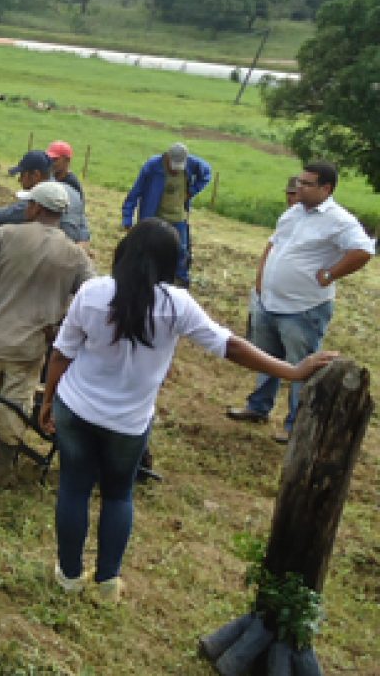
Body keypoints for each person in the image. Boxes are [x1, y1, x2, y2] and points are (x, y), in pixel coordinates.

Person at [40, 219, 336, 601]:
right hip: (128, 423)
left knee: (74, 489)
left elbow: (62, 353)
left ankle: (68, 576)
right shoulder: (175, 304)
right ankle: (107, 584)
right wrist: (291, 371)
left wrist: (48, 400)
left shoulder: (94, 292)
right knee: (117, 495)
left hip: (76, 409)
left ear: (124, 251)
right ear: (169, 262)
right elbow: (229, 345)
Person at [0, 182, 96, 491]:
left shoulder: (5, 236)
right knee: (16, 405)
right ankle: (3, 473)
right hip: (30, 348)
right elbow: (94, 298)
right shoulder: (74, 255)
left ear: (36, 209)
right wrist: (60, 329)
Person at [225, 161, 373, 443]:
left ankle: (296, 425)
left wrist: (331, 274)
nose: (299, 188)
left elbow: (364, 250)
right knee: (267, 359)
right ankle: (258, 407)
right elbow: (274, 244)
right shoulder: (294, 213)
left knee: (302, 367)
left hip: (303, 309)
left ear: (326, 188)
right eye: (300, 182)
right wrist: (261, 280)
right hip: (270, 302)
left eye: (307, 184)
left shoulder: (340, 220)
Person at [121, 142, 212, 286]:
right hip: (154, 217)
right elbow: (135, 193)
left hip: (178, 217)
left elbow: (207, 174)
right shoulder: (152, 167)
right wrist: (127, 219)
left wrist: (192, 191)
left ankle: (179, 282)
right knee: (148, 250)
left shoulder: (193, 164)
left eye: (179, 166)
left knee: (181, 251)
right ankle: (145, 280)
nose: (176, 170)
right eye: (174, 165)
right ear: (168, 158)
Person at [0, 151, 90, 247]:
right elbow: (84, 228)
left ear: (36, 175)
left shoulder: (39, 198)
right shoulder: (74, 192)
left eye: (22, 175)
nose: (19, 180)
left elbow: (7, 215)